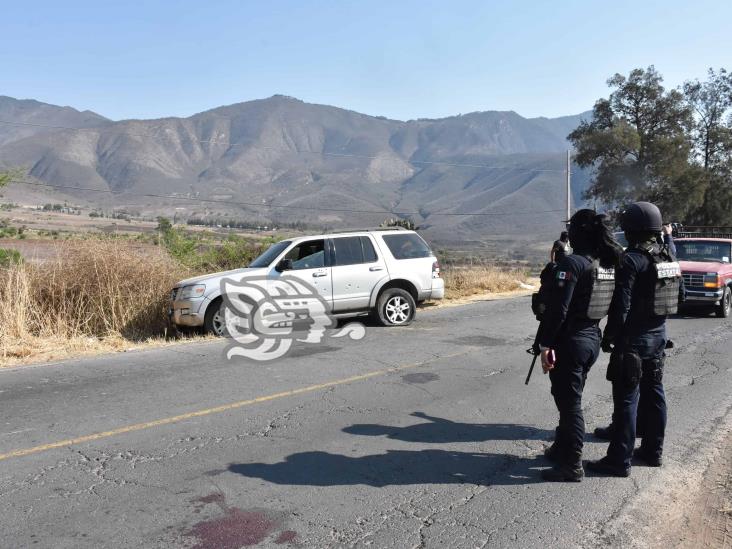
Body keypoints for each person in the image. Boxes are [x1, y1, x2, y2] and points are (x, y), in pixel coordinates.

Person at [587, 202, 680, 477]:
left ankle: (619, 460)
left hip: (634, 341)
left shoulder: (632, 260)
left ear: (633, 229)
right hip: (658, 337)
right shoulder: (668, 257)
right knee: (654, 395)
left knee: (627, 401)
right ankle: (653, 452)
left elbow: (621, 306)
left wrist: (610, 337)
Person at [537, 210, 624, 482]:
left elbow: (558, 311)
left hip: (571, 342)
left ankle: (571, 464)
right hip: (590, 339)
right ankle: (561, 448)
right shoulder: (606, 263)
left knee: (570, 404)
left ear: (577, 232)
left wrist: (545, 344)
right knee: (569, 396)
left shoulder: (573, 264)